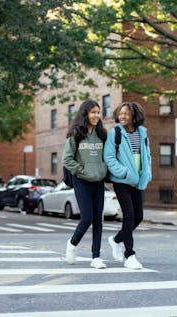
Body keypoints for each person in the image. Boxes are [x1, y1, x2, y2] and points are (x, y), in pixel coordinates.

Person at [104, 102, 152, 269]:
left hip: (138, 179)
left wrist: (148, 172)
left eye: (126, 113)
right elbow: (109, 157)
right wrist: (123, 172)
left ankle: (116, 239)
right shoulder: (115, 132)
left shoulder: (142, 132)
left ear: (134, 116)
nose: (122, 116)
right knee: (129, 214)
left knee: (138, 216)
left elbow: (147, 154)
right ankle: (129, 255)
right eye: (120, 113)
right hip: (122, 179)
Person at [62, 100, 108, 269]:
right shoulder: (76, 134)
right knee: (87, 218)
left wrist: (103, 170)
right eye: (93, 112)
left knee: (98, 220)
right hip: (82, 181)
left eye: (98, 112)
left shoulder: (102, 134)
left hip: (98, 181)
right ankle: (72, 244)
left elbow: (107, 156)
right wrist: (81, 170)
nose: (96, 115)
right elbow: (66, 159)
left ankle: (96, 257)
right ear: (85, 114)